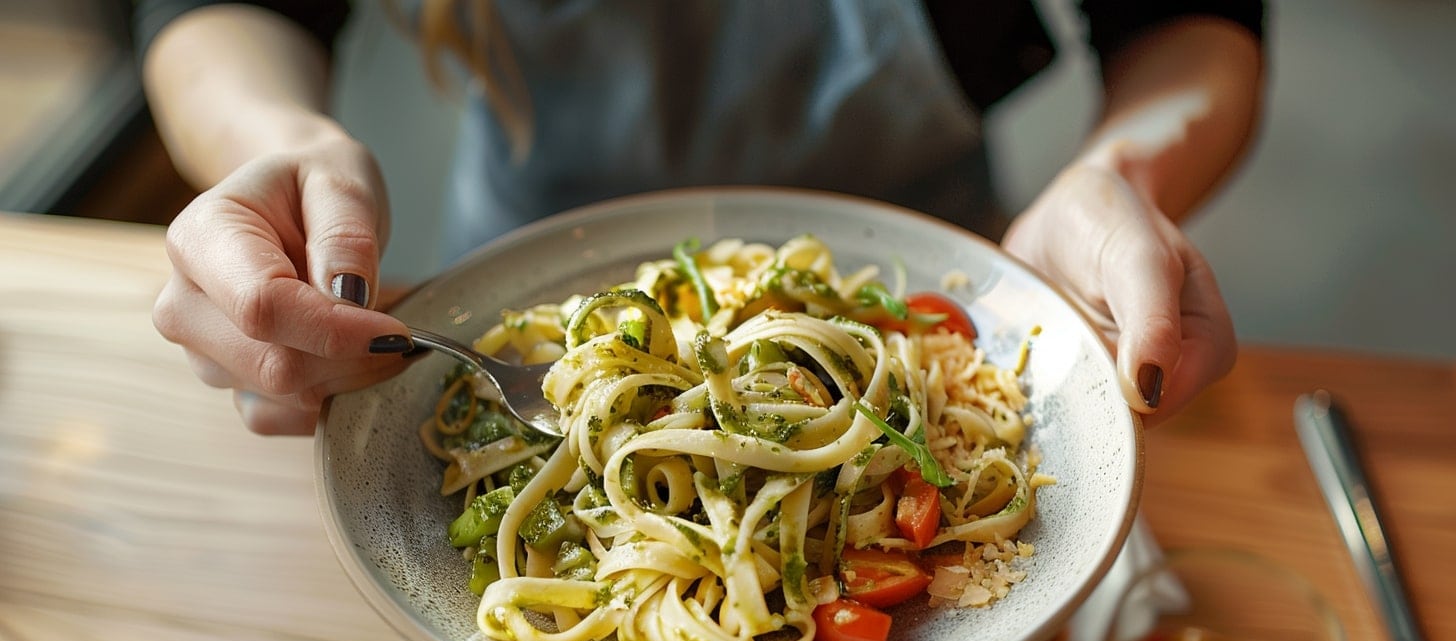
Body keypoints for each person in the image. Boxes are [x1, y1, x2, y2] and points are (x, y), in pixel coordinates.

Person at [133, 0, 1265, 435]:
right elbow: (222, 15)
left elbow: (1185, 20)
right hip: (517, 312)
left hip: (940, 294)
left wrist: (1121, 168)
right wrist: (276, 144)